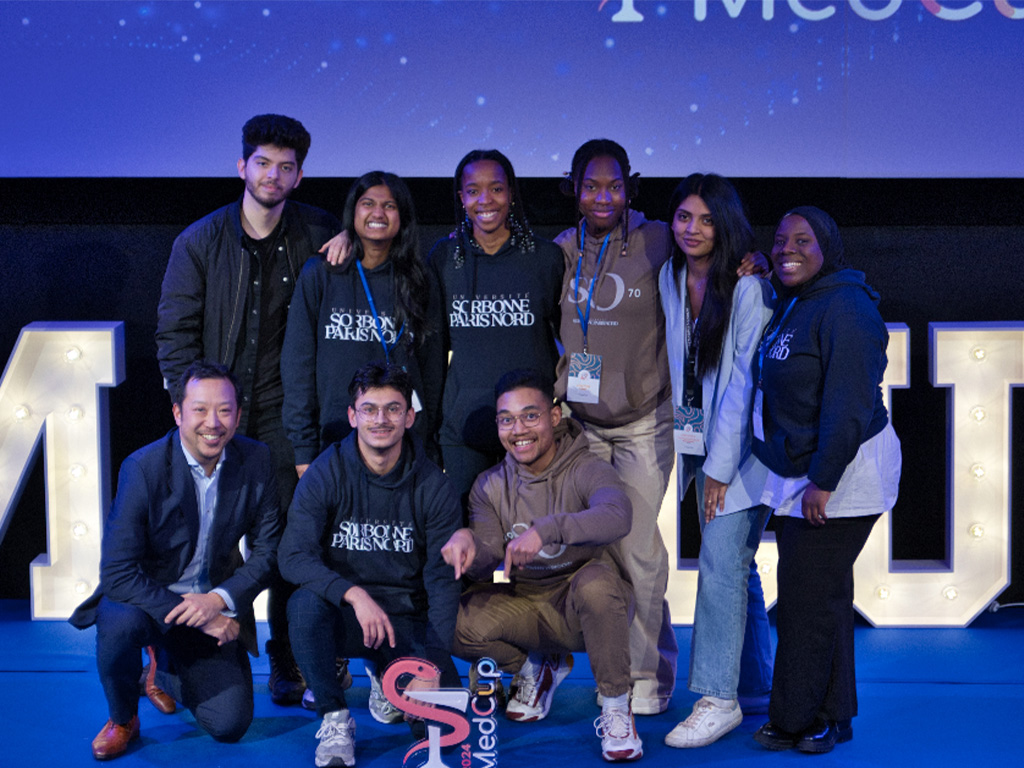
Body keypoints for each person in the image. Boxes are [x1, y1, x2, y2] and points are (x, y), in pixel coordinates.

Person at [156, 114, 339, 704]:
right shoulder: (200, 240)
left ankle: (289, 662)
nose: (273, 175)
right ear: (242, 167)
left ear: (299, 176)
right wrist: (192, 409)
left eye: (286, 167)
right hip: (217, 416)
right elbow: (175, 332)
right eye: (262, 163)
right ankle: (182, 654)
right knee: (197, 538)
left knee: (288, 544)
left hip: (287, 419)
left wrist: (350, 242)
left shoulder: (317, 233)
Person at [321, 150, 564, 507]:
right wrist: (347, 235)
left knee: (536, 543)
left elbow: (568, 337)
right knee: (470, 547)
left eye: (496, 189)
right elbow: (432, 350)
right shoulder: (444, 257)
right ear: (461, 198)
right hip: (462, 429)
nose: (486, 200)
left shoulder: (547, 258)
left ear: (511, 193)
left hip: (530, 427)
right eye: (473, 190)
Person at [69, 361, 281, 760]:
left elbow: (269, 552)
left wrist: (218, 600)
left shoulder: (258, 461)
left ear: (237, 415)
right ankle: (123, 718)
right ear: (178, 413)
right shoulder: (143, 468)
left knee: (230, 725)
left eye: (224, 410)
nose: (213, 423)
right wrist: (200, 614)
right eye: (200, 409)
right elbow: (117, 571)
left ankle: (162, 666)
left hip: (211, 599)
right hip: (150, 601)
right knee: (117, 624)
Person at [751, 207, 900, 754]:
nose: (788, 248)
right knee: (824, 596)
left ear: (828, 247)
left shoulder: (847, 307)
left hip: (844, 471)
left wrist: (823, 479)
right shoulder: (796, 300)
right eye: (780, 239)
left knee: (805, 599)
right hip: (804, 469)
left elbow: (851, 404)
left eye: (803, 240)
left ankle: (797, 717)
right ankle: (833, 715)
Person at [441, 369, 642, 762]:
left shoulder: (586, 467)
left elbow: (618, 515)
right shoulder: (489, 484)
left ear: (553, 416)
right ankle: (536, 666)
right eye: (506, 419)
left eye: (530, 416)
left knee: (596, 584)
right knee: (447, 617)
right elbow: (486, 559)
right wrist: (467, 545)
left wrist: (550, 529)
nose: (519, 429)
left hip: (586, 604)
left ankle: (617, 707)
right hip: (528, 604)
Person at [279, 361, 462, 768]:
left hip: (404, 619)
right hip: (345, 615)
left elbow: (443, 581)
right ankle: (334, 716)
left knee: (443, 734)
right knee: (304, 605)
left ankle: (386, 672)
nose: (381, 419)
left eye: (393, 408)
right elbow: (292, 556)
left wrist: (430, 663)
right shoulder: (327, 471)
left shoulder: (434, 485)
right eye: (370, 409)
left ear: (410, 416)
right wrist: (353, 593)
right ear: (352, 415)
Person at [554, 139, 678, 714]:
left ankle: (649, 676)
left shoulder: (658, 240)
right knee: (596, 555)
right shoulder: (560, 249)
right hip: (582, 428)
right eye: (590, 185)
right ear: (573, 187)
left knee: (638, 549)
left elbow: (715, 254)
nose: (602, 197)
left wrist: (747, 261)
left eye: (614, 185)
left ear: (630, 185)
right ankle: (614, 670)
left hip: (642, 425)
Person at [657, 174, 775, 748]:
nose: (693, 229)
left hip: (742, 453)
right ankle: (754, 684)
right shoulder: (671, 275)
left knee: (722, 564)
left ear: (725, 223)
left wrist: (721, 469)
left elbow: (744, 387)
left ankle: (717, 698)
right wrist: (695, 454)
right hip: (699, 443)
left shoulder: (748, 287)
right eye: (683, 218)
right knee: (738, 567)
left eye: (706, 219)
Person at [281, 170, 442, 476]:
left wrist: (427, 441)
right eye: (367, 203)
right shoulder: (321, 274)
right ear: (353, 212)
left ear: (403, 216)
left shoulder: (421, 280)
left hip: (402, 443)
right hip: (333, 441)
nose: (378, 213)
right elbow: (297, 366)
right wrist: (303, 449)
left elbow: (431, 371)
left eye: (390, 206)